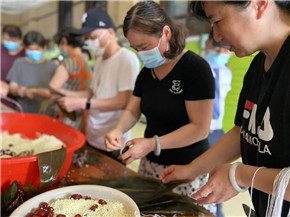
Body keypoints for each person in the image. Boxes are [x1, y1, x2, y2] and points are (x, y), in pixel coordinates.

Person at [160, 1, 290, 217]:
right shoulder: (258, 65)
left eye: (218, 21)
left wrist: (240, 175)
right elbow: (243, 133)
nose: (217, 36)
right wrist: (191, 170)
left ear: (259, 4)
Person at [105, 1, 216, 214]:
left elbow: (199, 128)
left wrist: (152, 143)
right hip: (150, 164)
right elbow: (132, 110)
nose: (141, 54)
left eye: (145, 46)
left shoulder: (195, 69)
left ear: (166, 33)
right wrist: (118, 130)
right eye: (135, 49)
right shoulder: (147, 73)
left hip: (187, 168)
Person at [57, 8, 140, 156]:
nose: (90, 42)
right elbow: (94, 92)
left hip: (111, 141)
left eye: (93, 37)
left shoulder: (126, 58)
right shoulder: (100, 60)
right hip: (93, 133)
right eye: (87, 38)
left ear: (109, 32)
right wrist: (65, 94)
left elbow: (125, 101)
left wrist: (84, 103)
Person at [205, 33, 232, 217]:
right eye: (216, 47)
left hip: (218, 132)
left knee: (218, 180)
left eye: (225, 49)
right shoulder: (195, 69)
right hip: (200, 132)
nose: (221, 52)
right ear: (207, 43)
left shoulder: (226, 72)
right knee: (200, 181)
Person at [49, 27, 93, 133]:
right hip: (82, 118)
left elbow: (53, 87)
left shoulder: (68, 63)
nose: (60, 49)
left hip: (66, 118)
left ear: (64, 41)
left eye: (60, 45)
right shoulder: (86, 63)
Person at [6, 31, 57, 113]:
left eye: (37, 49)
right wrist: (18, 91)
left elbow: (56, 91)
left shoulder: (53, 66)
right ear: (25, 49)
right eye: (30, 49)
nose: (34, 52)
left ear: (44, 48)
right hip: (24, 112)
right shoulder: (19, 63)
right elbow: (12, 86)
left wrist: (36, 92)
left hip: (47, 113)